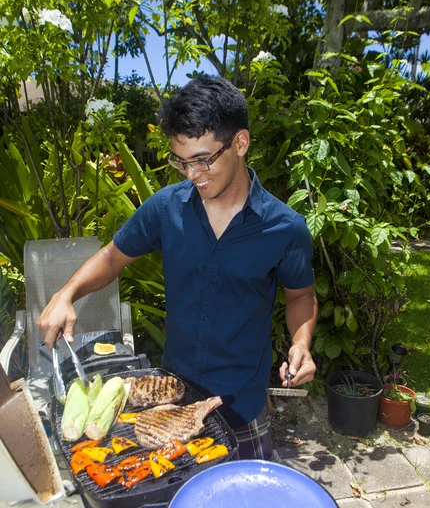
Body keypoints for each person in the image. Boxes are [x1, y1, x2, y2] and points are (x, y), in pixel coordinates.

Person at [37, 75, 317, 460]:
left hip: (243, 403)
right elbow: (112, 257)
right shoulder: (166, 207)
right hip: (170, 400)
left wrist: (301, 344)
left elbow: (300, 294)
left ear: (240, 142)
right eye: (181, 162)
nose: (192, 174)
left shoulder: (285, 228)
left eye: (203, 160)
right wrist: (66, 293)